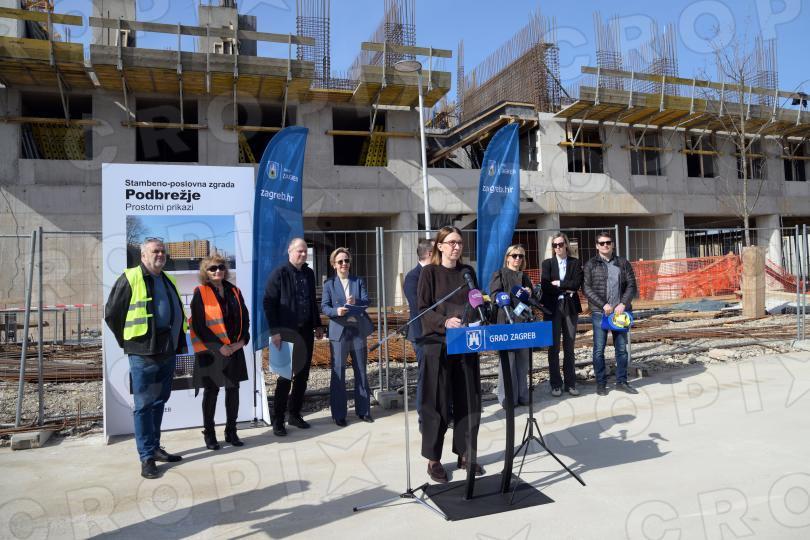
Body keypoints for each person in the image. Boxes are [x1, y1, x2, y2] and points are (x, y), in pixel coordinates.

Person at [104, 238, 187, 479]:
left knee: (160, 401)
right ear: (143, 256)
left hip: (167, 350)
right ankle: (146, 457)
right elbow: (112, 314)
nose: (160, 255)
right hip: (143, 352)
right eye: (155, 251)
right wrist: (128, 342)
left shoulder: (168, 279)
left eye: (162, 251)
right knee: (143, 405)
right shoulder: (130, 278)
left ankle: (156, 447)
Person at [417, 226, 483, 484]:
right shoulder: (430, 273)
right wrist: (444, 322)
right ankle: (433, 459)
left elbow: (476, 302)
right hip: (438, 345)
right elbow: (423, 309)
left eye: (460, 243)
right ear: (440, 246)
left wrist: (474, 317)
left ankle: (466, 454)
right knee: (438, 403)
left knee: (468, 400)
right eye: (452, 242)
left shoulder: (468, 272)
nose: (457, 247)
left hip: (466, 343)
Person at [190, 254, 250, 450]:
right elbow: (199, 325)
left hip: (234, 349)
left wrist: (242, 342)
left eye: (221, 267)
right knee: (212, 392)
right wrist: (219, 347)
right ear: (205, 272)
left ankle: (231, 431)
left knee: (233, 390)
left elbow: (245, 319)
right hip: (211, 352)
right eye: (213, 268)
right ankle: (209, 433)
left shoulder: (235, 291)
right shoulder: (200, 292)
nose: (218, 271)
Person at [263, 238, 322, 436]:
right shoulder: (279, 274)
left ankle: (295, 415)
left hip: (306, 332)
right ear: (289, 251)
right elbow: (268, 303)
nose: (303, 254)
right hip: (284, 334)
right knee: (284, 377)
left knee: (302, 376)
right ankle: (278, 420)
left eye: (305, 251)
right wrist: (274, 332)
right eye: (299, 251)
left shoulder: (309, 273)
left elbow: (312, 301)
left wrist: (317, 325)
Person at [321, 248, 374, 426]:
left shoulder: (358, 281)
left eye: (347, 260)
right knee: (338, 372)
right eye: (340, 261)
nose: (344, 264)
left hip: (357, 331)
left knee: (361, 370)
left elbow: (367, 301)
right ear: (334, 264)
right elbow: (325, 307)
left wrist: (355, 302)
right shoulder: (329, 284)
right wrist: (337, 311)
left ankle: (364, 411)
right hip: (339, 332)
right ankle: (339, 414)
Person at [583, 231, 638, 396]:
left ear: (612, 244)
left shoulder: (623, 263)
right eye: (602, 243)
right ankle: (601, 384)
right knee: (598, 350)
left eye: (608, 242)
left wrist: (623, 303)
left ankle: (622, 382)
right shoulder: (591, 264)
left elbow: (632, 285)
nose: (605, 245)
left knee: (621, 349)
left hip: (619, 313)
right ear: (597, 246)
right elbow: (586, 288)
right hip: (600, 313)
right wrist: (603, 304)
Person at [488, 244, 533, 408]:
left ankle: (523, 395)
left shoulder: (525, 276)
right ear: (507, 257)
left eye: (521, 256)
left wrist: (530, 292)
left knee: (523, 361)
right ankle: (507, 398)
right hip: (506, 322)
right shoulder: (499, 274)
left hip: (523, 322)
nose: (517, 259)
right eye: (514, 255)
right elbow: (494, 295)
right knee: (508, 362)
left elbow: (533, 299)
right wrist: (513, 294)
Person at [540, 233, 584, 397]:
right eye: (554, 245)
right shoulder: (547, 264)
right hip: (553, 308)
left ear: (566, 244)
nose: (557, 247)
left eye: (560, 244)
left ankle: (570, 383)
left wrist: (559, 283)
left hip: (570, 307)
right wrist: (566, 289)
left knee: (569, 346)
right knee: (553, 348)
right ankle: (556, 384)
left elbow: (577, 284)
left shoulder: (575, 263)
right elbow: (545, 286)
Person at [403, 237, 434, 425]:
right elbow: (419, 308)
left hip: (439, 333)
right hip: (422, 334)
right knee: (426, 375)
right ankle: (424, 417)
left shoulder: (435, 273)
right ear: (430, 253)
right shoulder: (413, 277)